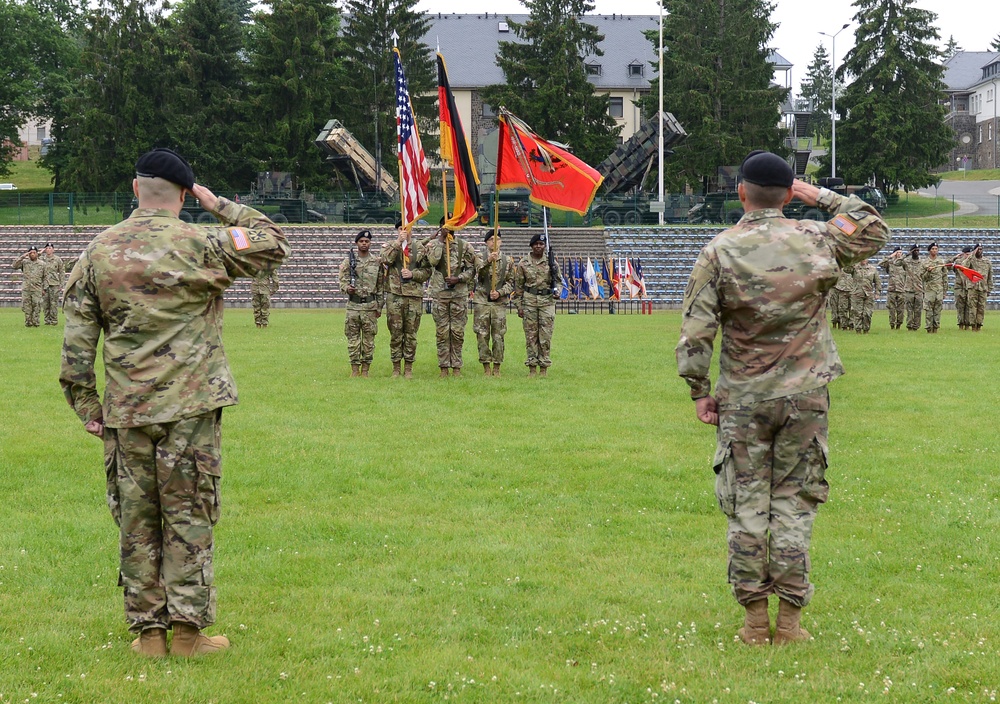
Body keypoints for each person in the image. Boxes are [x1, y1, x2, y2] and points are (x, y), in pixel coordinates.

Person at [60, 147, 290, 658]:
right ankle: (187, 635)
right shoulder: (204, 244)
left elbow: (77, 345)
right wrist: (220, 205)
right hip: (191, 409)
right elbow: (273, 243)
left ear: (135, 188)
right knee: (189, 516)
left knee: (137, 521)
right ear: (185, 195)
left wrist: (88, 407)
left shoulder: (98, 250)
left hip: (127, 409)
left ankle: (149, 637)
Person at [675, 150, 890, 647]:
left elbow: (696, 333)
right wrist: (820, 196)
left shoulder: (720, 250)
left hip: (743, 400)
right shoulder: (816, 238)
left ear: (740, 193)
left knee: (747, 507)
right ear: (790, 194)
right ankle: (789, 624)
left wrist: (698, 390)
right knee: (795, 505)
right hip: (805, 397)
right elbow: (874, 227)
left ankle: (754, 623)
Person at [424, 218, 474, 377]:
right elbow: (433, 261)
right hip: (440, 295)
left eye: (451, 226)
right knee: (442, 332)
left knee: (457, 332)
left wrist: (459, 279)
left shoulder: (464, 246)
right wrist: (440, 240)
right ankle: (444, 367)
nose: (449, 229)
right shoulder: (432, 245)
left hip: (458, 295)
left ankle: (457, 367)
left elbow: (472, 270)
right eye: (445, 226)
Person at [381, 220, 431, 378]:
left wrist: (413, 274)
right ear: (397, 230)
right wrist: (398, 242)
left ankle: (408, 367)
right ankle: (396, 367)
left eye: (407, 228)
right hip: (395, 296)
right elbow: (385, 259)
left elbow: (427, 271)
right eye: (401, 229)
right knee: (396, 333)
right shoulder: (391, 245)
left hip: (414, 297)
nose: (405, 231)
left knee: (411, 334)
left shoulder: (420, 248)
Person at [339, 230, 385, 377]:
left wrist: (379, 306)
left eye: (367, 241)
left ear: (370, 243)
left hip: (370, 307)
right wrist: (347, 288)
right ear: (357, 243)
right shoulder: (349, 261)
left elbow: (380, 286)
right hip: (353, 306)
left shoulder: (377, 262)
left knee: (368, 340)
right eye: (361, 241)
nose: (364, 244)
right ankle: (354, 369)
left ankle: (365, 370)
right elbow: (342, 280)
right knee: (353, 339)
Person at [473, 231, 516, 376]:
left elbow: (511, 282)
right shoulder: (480, 257)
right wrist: (488, 261)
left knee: (498, 336)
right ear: (486, 242)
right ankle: (486, 365)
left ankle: (497, 365)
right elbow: (478, 273)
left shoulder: (508, 261)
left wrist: (501, 292)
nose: (494, 242)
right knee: (482, 335)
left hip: (498, 303)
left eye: (497, 239)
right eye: (491, 240)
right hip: (482, 301)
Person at [514, 234, 558, 376]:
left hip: (547, 302)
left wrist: (559, 291)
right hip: (530, 302)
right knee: (531, 336)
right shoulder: (523, 263)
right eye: (536, 244)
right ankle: (532, 367)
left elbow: (560, 281)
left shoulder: (552, 263)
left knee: (545, 336)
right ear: (531, 246)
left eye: (541, 244)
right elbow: (518, 287)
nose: (539, 246)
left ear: (545, 246)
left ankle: (544, 367)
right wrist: (519, 306)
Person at [12, 245, 44, 327]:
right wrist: (22, 257)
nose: (32, 254)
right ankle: (28, 323)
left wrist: (44, 288)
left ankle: (36, 323)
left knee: (36, 306)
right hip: (27, 288)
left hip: (37, 288)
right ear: (28, 254)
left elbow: (45, 277)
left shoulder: (42, 264)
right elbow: (14, 266)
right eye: (31, 253)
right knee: (27, 307)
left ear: (37, 254)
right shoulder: (24, 262)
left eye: (34, 253)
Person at [894, 244, 924, 331]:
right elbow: (896, 263)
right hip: (909, 289)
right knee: (909, 310)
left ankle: (916, 326)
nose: (916, 252)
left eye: (918, 250)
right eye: (914, 250)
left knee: (918, 310)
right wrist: (906, 254)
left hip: (919, 289)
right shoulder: (906, 261)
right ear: (911, 252)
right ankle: (909, 326)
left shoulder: (922, 262)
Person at [921, 242, 948, 334]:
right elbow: (923, 277)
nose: (934, 250)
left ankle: (935, 329)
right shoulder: (925, 262)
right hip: (929, 289)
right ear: (929, 250)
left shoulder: (941, 262)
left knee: (937, 310)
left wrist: (945, 291)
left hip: (939, 290)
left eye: (936, 249)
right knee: (929, 310)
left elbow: (944, 277)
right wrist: (928, 271)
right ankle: (929, 329)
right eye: (932, 249)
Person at [966, 244, 994, 331]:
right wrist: (971, 255)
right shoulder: (971, 260)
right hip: (973, 287)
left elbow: (990, 276)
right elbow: (964, 266)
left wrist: (990, 288)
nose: (979, 251)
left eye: (981, 249)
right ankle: (973, 325)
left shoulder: (987, 262)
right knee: (972, 307)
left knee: (981, 307)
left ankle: (979, 324)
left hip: (983, 287)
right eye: (978, 249)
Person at [878, 246, 906, 329]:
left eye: (900, 252)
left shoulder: (904, 263)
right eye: (897, 252)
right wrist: (890, 256)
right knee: (891, 309)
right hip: (892, 289)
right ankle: (892, 325)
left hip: (901, 289)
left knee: (901, 309)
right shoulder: (890, 263)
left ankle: (899, 324)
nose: (899, 254)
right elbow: (880, 264)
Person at [850, 258, 880, 334]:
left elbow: (877, 282)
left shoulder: (873, 269)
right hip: (857, 293)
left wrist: (877, 293)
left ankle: (866, 330)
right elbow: (846, 269)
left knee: (867, 313)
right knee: (857, 313)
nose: (863, 259)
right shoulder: (854, 268)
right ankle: (858, 330)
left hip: (869, 294)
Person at [39, 242, 66, 325]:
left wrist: (61, 284)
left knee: (53, 303)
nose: (48, 250)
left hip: (54, 284)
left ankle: (54, 321)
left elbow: (61, 272)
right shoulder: (42, 259)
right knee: (46, 304)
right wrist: (40, 253)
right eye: (47, 248)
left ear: (53, 250)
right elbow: (35, 259)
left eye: (50, 248)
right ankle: (47, 320)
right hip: (45, 284)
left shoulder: (57, 259)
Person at [949, 246, 973, 330]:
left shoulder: (972, 262)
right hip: (959, 287)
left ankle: (967, 324)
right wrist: (954, 257)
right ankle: (960, 324)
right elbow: (948, 266)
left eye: (970, 254)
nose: (968, 256)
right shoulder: (958, 262)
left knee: (968, 306)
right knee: (960, 306)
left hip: (969, 287)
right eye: (967, 254)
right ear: (963, 254)